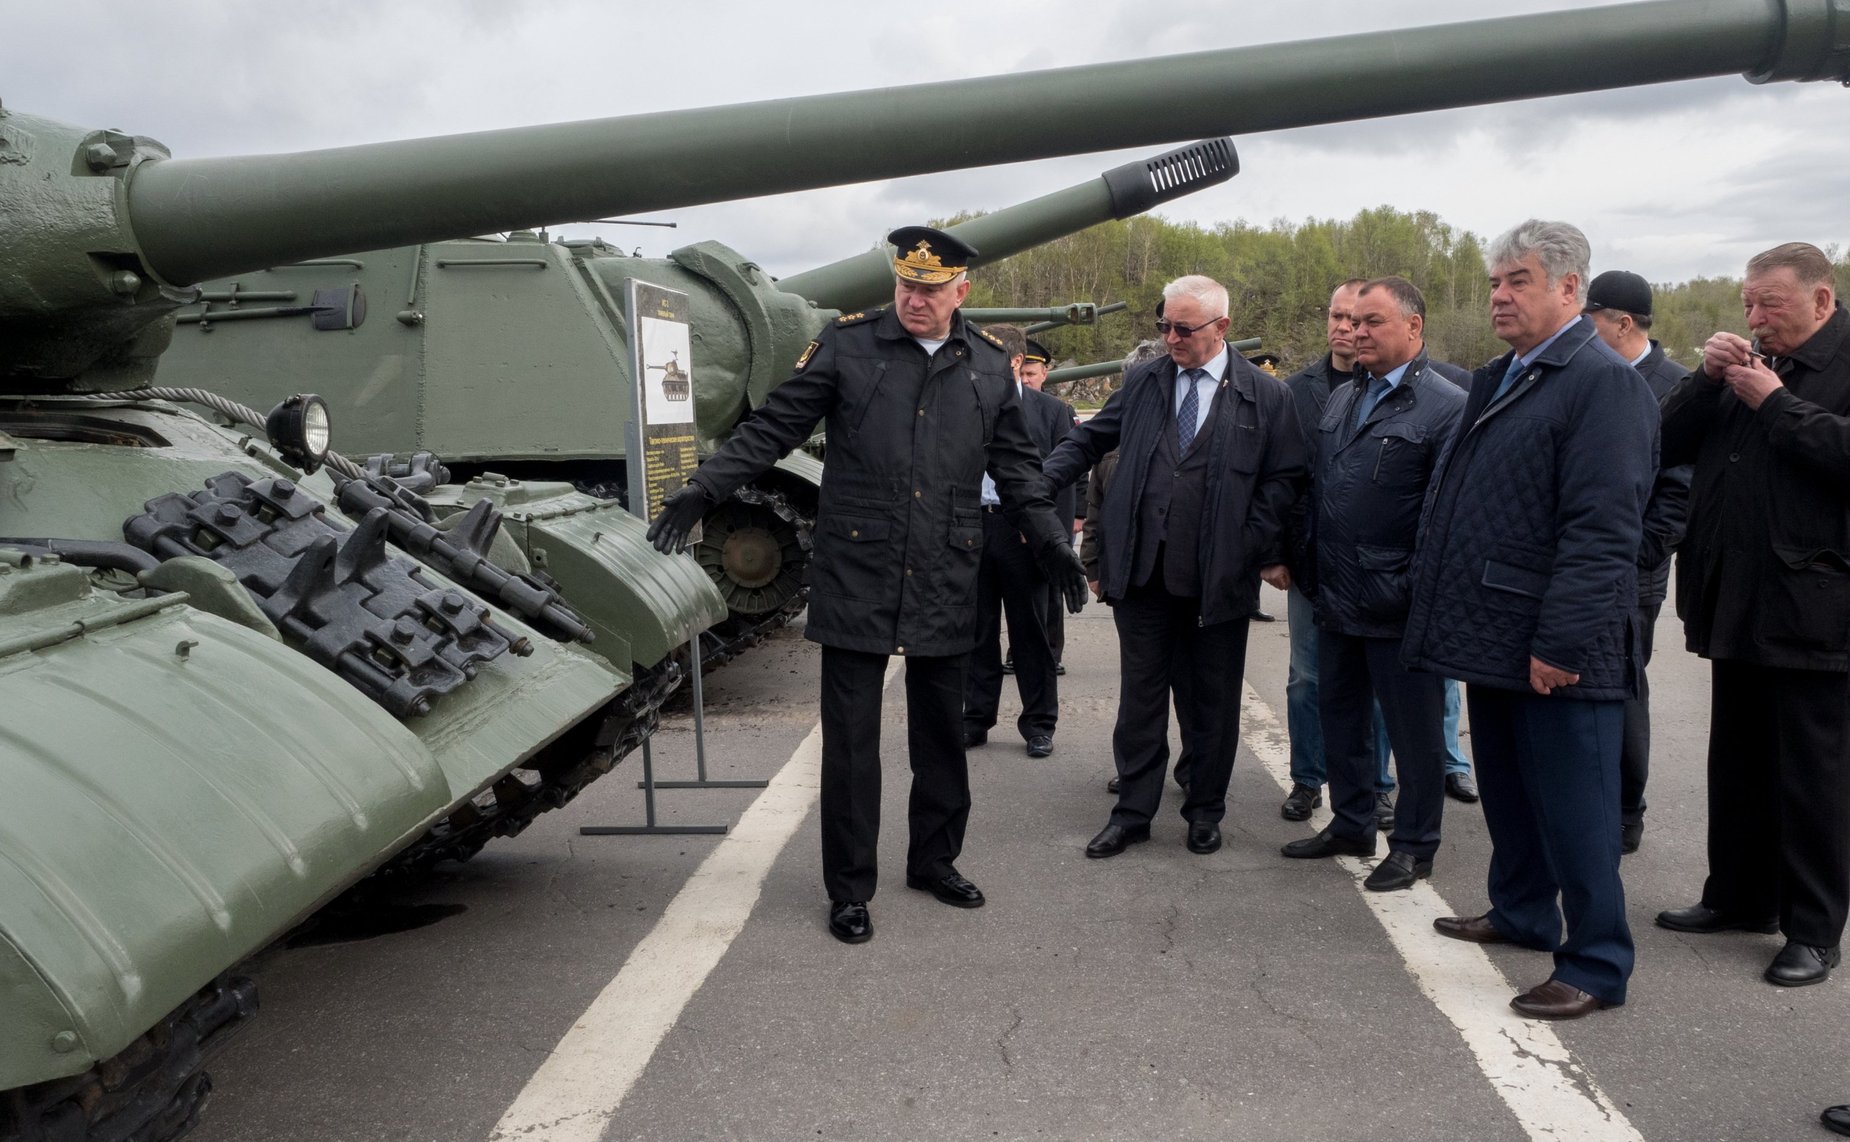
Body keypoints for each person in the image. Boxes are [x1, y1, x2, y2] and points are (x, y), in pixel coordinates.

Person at [647, 226, 1086, 945]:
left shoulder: (987, 366)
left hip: (948, 569)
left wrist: (1051, 541)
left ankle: (935, 859)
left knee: (943, 734)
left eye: (931, 289)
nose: (915, 299)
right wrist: (704, 486)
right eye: (907, 285)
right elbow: (773, 429)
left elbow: (1017, 472)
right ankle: (849, 888)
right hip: (860, 569)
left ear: (960, 293)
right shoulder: (847, 348)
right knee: (852, 743)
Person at [1403, 219, 1657, 1020]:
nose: (1499, 296)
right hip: (1495, 630)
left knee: (1577, 812)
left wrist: (1562, 641)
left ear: (1569, 289)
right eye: (1493, 282)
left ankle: (1595, 962)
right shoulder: (1510, 373)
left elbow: (1604, 530)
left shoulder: (1600, 381)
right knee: (1511, 792)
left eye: (1517, 280)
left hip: (1555, 643)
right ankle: (1519, 911)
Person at [1043, 275, 1308, 858]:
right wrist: (1040, 484)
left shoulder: (1267, 397)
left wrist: (1250, 543)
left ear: (1222, 328)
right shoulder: (1143, 381)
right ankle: (1132, 813)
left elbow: (1284, 480)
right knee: (1140, 700)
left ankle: (1204, 812)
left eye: (1183, 329)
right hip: (1143, 575)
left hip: (1219, 580)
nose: (1170, 338)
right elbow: (1090, 442)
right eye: (1163, 325)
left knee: (1210, 703)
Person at [1656, 242, 1850, 988]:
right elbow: (1664, 441)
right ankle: (1738, 897)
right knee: (1736, 762)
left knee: (1812, 775)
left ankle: (1814, 930)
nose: (1755, 317)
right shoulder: (1742, 366)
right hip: (1736, 594)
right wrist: (1706, 382)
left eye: (1770, 303)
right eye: (1747, 303)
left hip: (1816, 603)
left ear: (1822, 301)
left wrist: (1777, 405)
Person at [1280, 276, 1465, 890]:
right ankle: (1352, 821)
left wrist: (1417, 588)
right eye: (1353, 322)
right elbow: (1319, 492)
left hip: (1399, 601)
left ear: (1414, 327)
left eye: (1373, 322)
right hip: (1336, 592)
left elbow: (1445, 519)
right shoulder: (1342, 398)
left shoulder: (1446, 405)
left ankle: (1414, 844)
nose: (1357, 332)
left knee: (1413, 733)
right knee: (1341, 716)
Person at [1582, 268, 1693, 855]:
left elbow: (1679, 491)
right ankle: (1585, 796)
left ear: (1622, 323)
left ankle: (1627, 808)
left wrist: (1634, 557)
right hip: (1580, 566)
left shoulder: (1675, 385)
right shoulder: (1585, 376)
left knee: (1622, 689)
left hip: (1633, 574)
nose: (1579, 331)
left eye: (1589, 320)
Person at [963, 325, 1072, 757]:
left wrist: (1051, 539)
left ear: (1011, 362)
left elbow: (1063, 483)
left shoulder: (1050, 412)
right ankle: (975, 718)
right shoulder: (965, 406)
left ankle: (1039, 724)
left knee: (1031, 634)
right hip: (972, 528)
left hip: (1023, 532)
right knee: (976, 631)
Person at [1020, 336, 1079, 676]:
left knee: (1051, 587)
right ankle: (1019, 649)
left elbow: (1074, 467)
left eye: (1032, 373)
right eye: (1022, 373)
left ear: (1045, 373)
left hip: (1051, 509)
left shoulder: (1059, 412)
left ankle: (1050, 651)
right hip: (1014, 512)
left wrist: (1078, 514)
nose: (1026, 379)